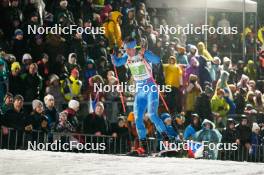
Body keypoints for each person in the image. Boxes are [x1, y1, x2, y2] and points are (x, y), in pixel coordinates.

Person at [112, 39, 169, 155]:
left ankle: (166, 138)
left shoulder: (142, 53)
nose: (127, 52)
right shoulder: (126, 56)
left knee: (152, 115)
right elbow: (117, 63)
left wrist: (146, 53)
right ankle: (143, 146)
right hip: (140, 90)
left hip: (150, 88)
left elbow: (157, 60)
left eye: (129, 49)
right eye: (126, 49)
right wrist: (112, 54)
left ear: (134, 48)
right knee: (137, 118)